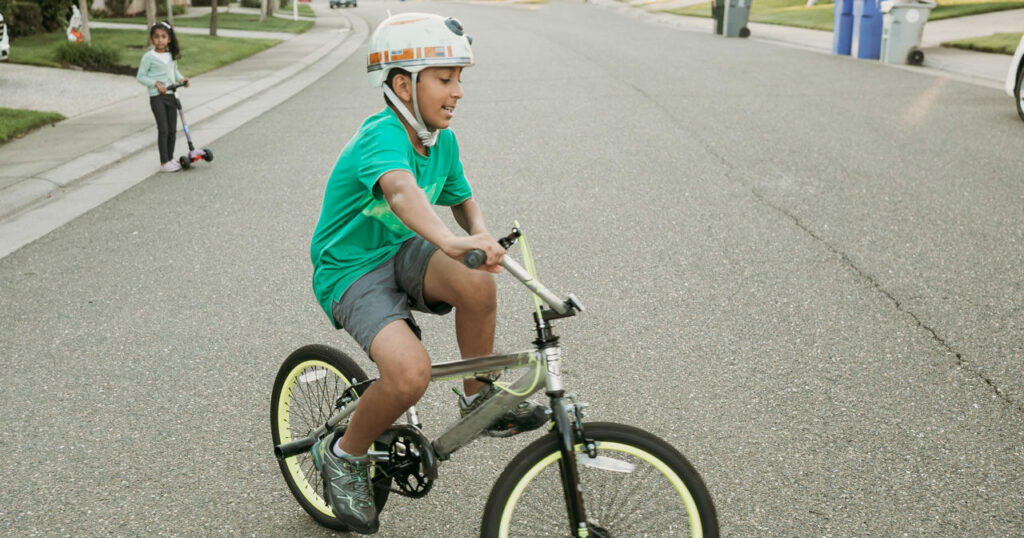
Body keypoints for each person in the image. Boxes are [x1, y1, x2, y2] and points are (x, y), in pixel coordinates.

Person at [308, 13, 545, 535]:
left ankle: (476, 395)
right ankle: (345, 455)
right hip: (350, 269)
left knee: (476, 280)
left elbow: (463, 201)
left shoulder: (442, 141)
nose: (458, 91)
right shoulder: (381, 137)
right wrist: (454, 243)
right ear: (402, 84)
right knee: (409, 375)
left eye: (460, 78)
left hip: (401, 249)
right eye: (445, 78)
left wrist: (478, 236)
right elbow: (401, 193)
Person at [135, 21, 189, 173]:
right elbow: (141, 76)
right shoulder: (149, 57)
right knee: (163, 129)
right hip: (157, 98)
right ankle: (164, 162)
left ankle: (171, 158)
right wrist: (156, 84)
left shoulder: (171, 56)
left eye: (163, 36)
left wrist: (182, 79)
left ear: (169, 39)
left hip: (172, 95)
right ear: (152, 39)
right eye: (157, 37)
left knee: (172, 129)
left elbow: (174, 72)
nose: (160, 40)